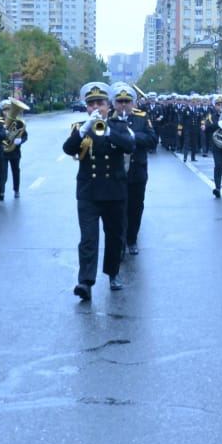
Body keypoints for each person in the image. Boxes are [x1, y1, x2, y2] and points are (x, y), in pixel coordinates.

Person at [64, 81, 136, 301]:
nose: (96, 107)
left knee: (114, 237)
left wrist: (107, 130)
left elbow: (130, 145)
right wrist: (85, 129)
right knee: (88, 239)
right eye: (91, 104)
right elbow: (68, 149)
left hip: (114, 192)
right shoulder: (80, 127)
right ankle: (85, 282)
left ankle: (113, 273)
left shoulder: (119, 125)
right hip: (88, 192)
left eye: (100, 103)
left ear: (108, 106)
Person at [115, 84, 158, 255]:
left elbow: (153, 140)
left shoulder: (142, 117)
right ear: (114, 103)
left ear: (133, 103)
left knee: (135, 207)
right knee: (117, 209)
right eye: (120, 101)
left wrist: (132, 136)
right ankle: (119, 242)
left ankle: (132, 239)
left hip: (137, 171)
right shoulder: (109, 119)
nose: (123, 105)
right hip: (115, 173)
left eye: (127, 101)